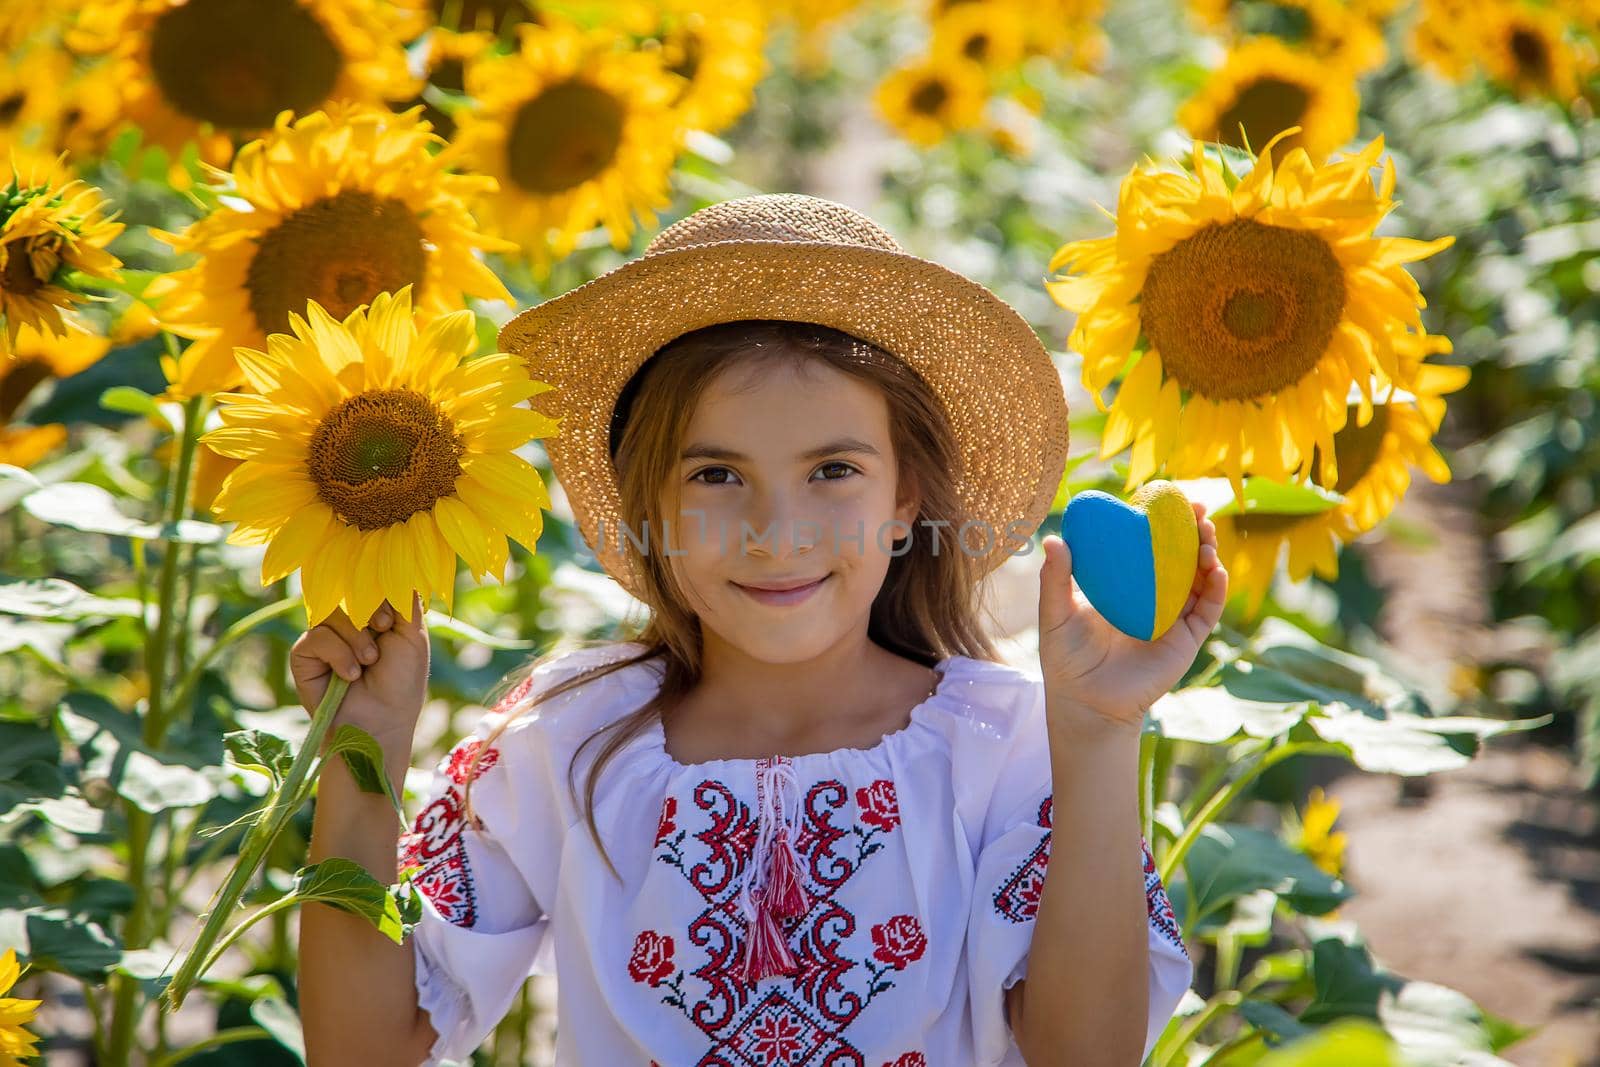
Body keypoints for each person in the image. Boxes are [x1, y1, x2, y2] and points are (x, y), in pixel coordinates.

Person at [294, 193, 1227, 1067]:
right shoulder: (558, 741)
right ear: (642, 502)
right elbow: (366, 1048)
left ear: (905, 499)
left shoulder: (1012, 748)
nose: (777, 531)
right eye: (715, 476)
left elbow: (1084, 1054)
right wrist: (357, 756)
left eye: (832, 471)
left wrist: (1100, 736)